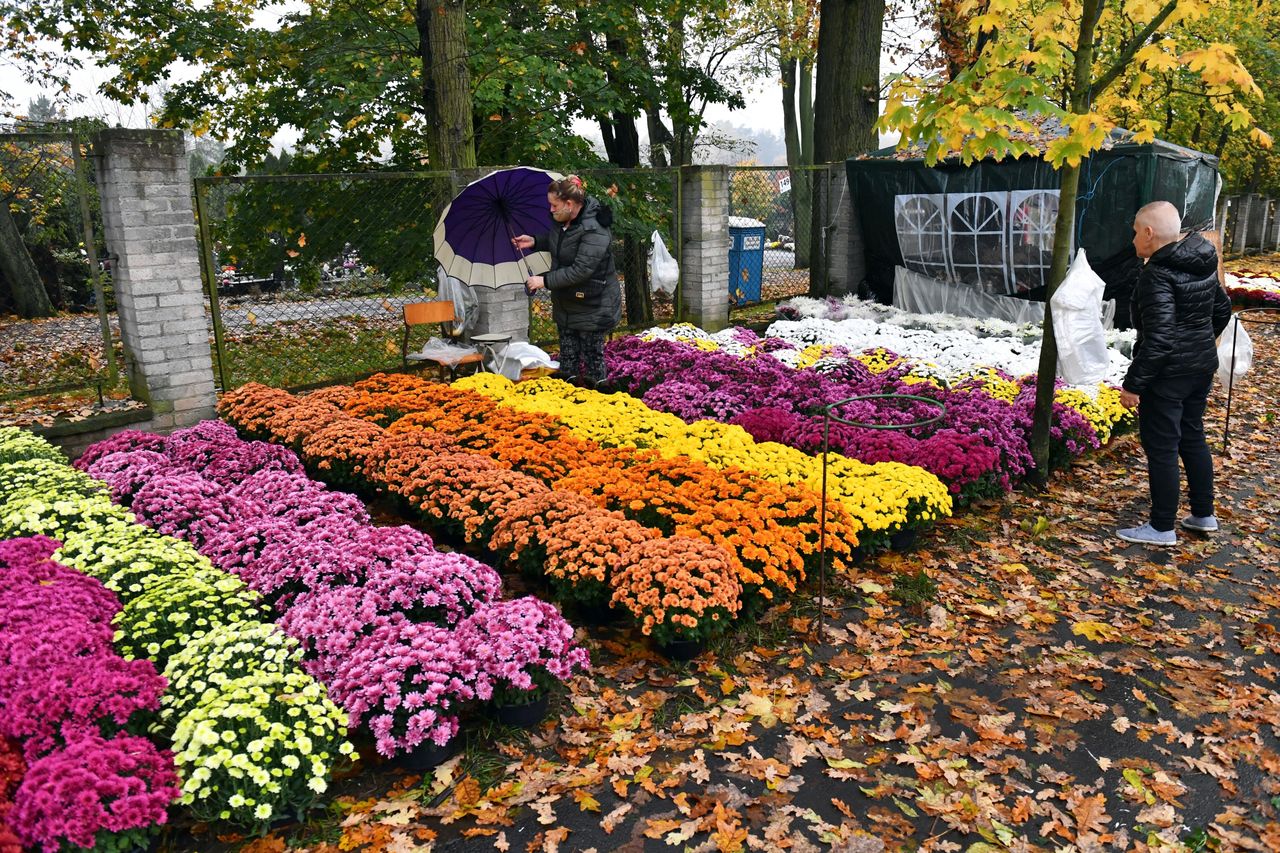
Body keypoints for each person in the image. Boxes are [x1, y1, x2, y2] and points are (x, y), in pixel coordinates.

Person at [1116, 201, 1232, 546]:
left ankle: (1161, 527)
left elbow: (1160, 339)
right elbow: (1222, 311)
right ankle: (1202, 514)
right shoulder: (1202, 262)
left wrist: (1133, 384)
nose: (1134, 240)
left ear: (1149, 234)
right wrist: (1198, 343)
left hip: (1167, 376)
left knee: (1163, 445)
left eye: (1136, 232)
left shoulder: (1158, 274)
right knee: (1192, 436)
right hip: (1199, 369)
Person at [512, 175, 622, 388]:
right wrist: (535, 241)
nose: (551, 210)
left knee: (592, 361)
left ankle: (598, 406)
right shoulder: (562, 221)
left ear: (569, 204)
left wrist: (544, 280)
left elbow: (581, 270)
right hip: (568, 303)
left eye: (554, 205)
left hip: (594, 304)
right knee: (568, 363)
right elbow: (562, 243)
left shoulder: (595, 228)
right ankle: (568, 406)